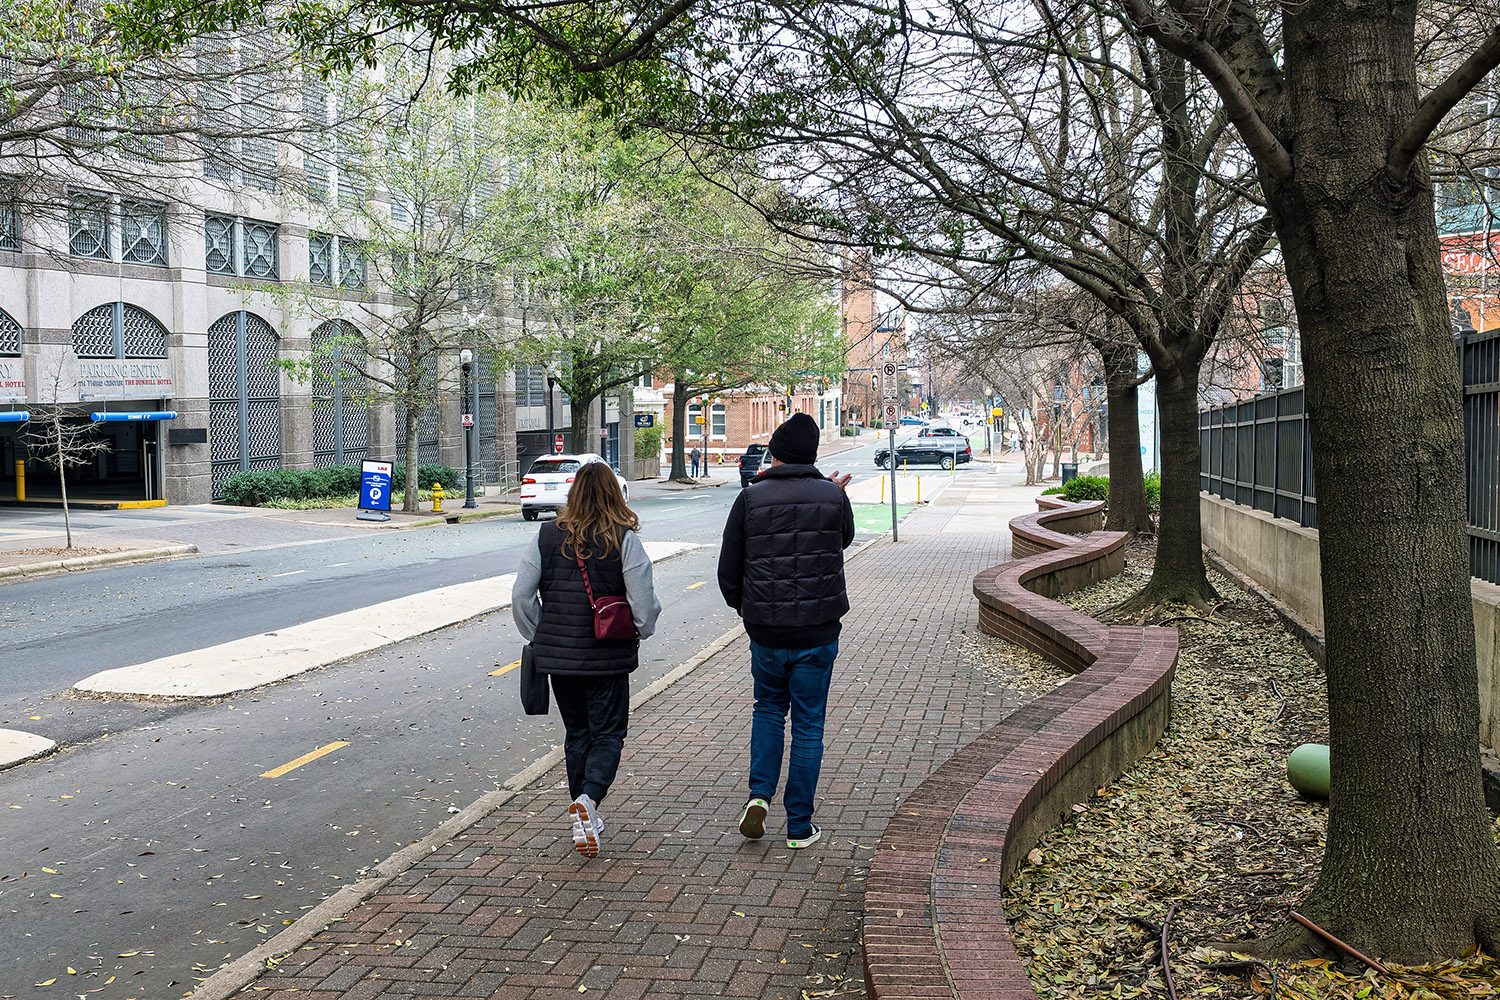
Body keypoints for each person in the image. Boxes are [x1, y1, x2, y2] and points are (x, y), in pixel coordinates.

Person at [717, 412, 854, 849]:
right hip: (817, 631)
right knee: (810, 725)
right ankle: (799, 825)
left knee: (768, 709)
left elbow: (728, 567)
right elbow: (843, 540)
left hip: (767, 631)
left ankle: (759, 796)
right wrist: (834, 496)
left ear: (774, 453)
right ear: (813, 455)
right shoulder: (833, 497)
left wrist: (747, 609)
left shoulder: (751, 499)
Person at [513, 461, 662, 857]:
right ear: (614, 494)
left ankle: (583, 811)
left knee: (577, 735)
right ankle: (590, 800)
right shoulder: (623, 538)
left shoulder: (547, 536)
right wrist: (641, 630)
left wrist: (541, 634)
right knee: (609, 734)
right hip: (608, 658)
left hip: (559, 661)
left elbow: (521, 596)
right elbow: (643, 601)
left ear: (573, 495)